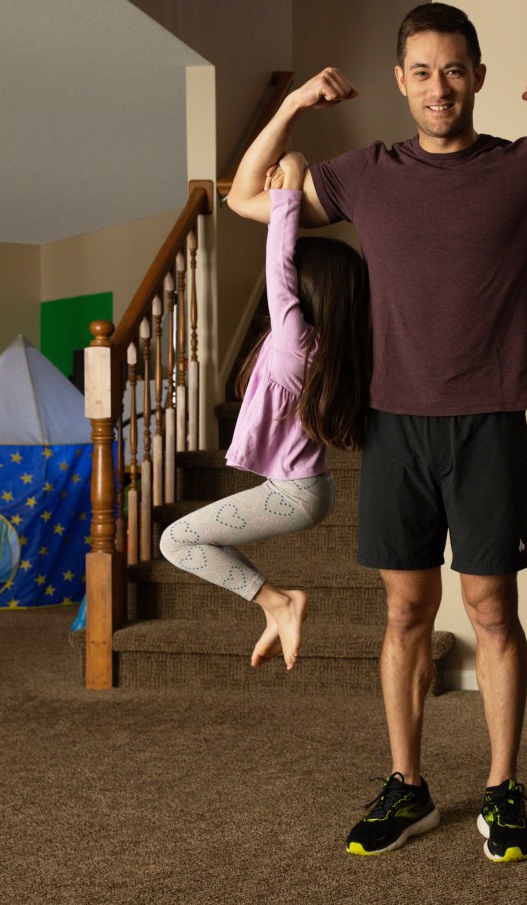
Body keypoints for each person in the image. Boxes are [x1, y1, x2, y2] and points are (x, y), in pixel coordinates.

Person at [227, 2, 527, 862]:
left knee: (491, 612)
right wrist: (289, 110)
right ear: (402, 82)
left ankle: (503, 788)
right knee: (405, 613)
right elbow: (250, 196)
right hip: (395, 424)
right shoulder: (366, 172)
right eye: (423, 73)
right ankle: (408, 786)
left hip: (489, 424)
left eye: (455, 70)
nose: (440, 88)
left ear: (478, 74)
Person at [160, 152, 370, 671]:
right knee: (183, 540)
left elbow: (278, 262)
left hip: (296, 494)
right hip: (306, 490)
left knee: (176, 539)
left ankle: (280, 603)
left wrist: (290, 189)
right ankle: (277, 607)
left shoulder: (296, 341)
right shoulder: (337, 346)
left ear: (304, 291)